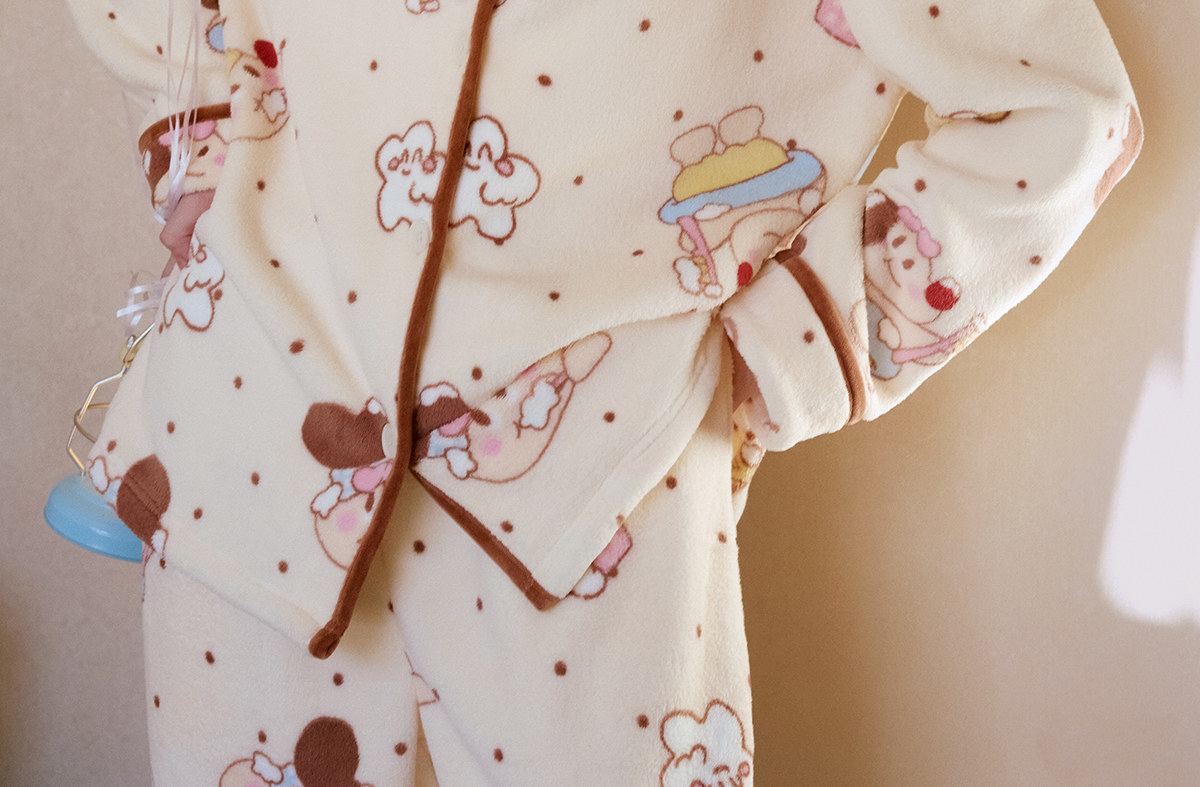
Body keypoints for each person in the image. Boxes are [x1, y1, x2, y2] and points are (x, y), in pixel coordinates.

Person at [66, 0, 1140, 783]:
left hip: (597, 497)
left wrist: (797, 341)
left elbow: (1066, 113)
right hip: (251, 436)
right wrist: (196, 150)